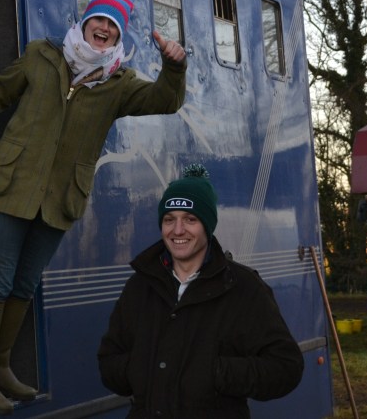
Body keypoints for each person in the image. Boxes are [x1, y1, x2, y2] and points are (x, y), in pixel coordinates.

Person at [0, 0, 187, 415]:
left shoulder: (119, 83)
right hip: (11, 187)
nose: (104, 29)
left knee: (24, 284)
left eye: (113, 24)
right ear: (85, 22)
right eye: (99, 20)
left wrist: (174, 67)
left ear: (118, 35)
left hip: (59, 200)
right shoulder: (41, 55)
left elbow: (166, 100)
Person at [97, 165, 304, 418]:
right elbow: (109, 359)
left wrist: (216, 372)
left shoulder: (242, 287)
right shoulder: (140, 286)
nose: (178, 230)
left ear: (207, 225)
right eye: (169, 219)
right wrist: (139, 370)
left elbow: (285, 367)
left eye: (190, 219)